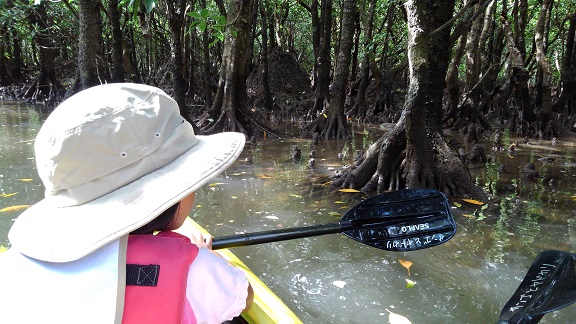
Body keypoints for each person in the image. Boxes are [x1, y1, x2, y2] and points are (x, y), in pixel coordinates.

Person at [0, 83, 252, 323]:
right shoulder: (194, 269)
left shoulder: (11, 269)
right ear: (171, 195)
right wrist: (204, 257)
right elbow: (244, 297)